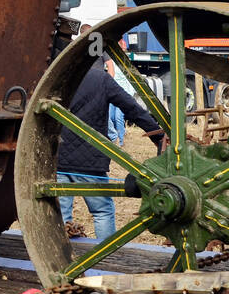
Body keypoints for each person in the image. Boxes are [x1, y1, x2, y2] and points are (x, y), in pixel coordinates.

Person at [57, 48, 165, 240]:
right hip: (90, 161)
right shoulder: (102, 80)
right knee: (102, 212)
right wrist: (159, 137)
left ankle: (62, 259)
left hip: (58, 159)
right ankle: (106, 257)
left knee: (61, 216)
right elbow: (133, 109)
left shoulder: (59, 79)